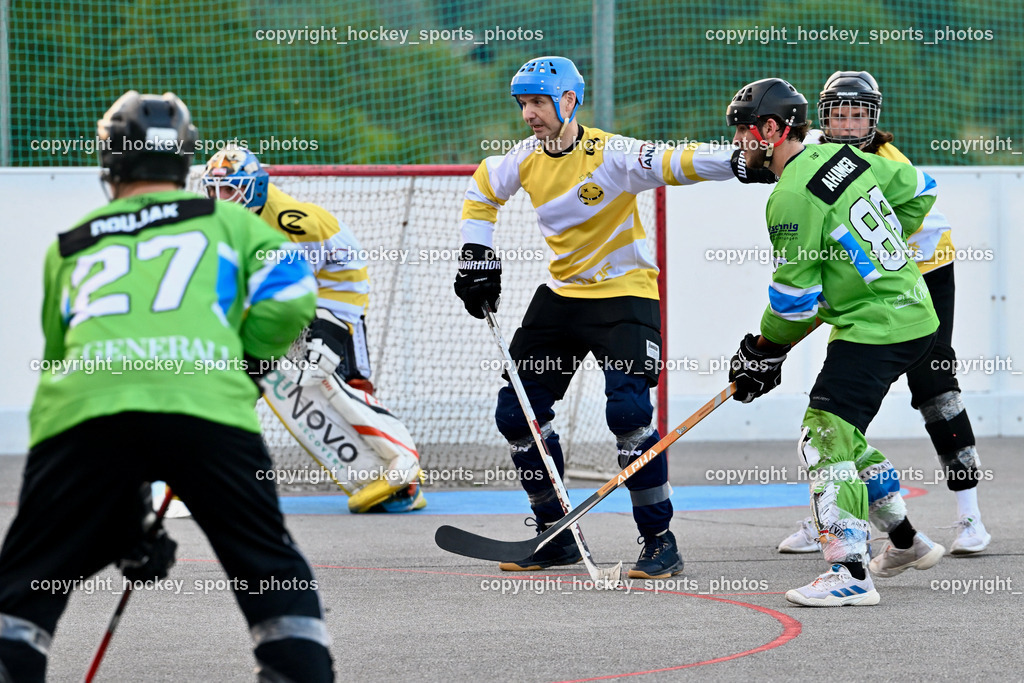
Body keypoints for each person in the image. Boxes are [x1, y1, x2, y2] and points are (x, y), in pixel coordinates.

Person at [0, 92, 333, 680]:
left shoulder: (71, 242)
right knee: (270, 569)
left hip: (82, 413)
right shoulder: (228, 221)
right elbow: (291, 294)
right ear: (183, 164)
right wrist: (250, 357)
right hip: (207, 410)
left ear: (111, 166)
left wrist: (124, 527)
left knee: (23, 589)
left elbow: (61, 360)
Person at [454, 55, 769, 579]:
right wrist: (476, 254)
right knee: (516, 417)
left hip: (625, 296)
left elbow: (678, 160)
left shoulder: (612, 154)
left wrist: (742, 163)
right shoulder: (522, 158)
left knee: (628, 417)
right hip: (562, 296)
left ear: (570, 100)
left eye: (539, 102)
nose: (530, 114)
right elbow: (481, 192)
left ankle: (660, 541)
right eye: (523, 104)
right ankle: (555, 533)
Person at [725, 77, 943, 606]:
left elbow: (794, 302)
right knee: (845, 437)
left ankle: (850, 573)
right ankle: (907, 541)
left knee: (820, 434)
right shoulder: (840, 157)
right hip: (909, 312)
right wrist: (872, 268)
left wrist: (761, 350)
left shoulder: (792, 195)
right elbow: (921, 188)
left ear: (772, 130)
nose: (738, 148)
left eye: (743, 136)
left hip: (878, 326)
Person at [776, 71, 990, 556]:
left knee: (937, 391)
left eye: (858, 115)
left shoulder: (889, 162)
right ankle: (827, 517)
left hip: (923, 273)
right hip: (863, 288)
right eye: (838, 114)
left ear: (874, 118)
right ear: (822, 117)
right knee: (840, 402)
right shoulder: (811, 151)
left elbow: (917, 217)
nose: (848, 125)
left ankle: (969, 515)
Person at [201, 149, 425, 513]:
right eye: (215, 190)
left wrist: (335, 326)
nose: (221, 200)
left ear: (255, 189)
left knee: (348, 385)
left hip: (335, 296)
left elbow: (346, 268)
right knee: (235, 389)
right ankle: (207, 476)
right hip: (277, 307)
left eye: (230, 189)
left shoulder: (295, 222)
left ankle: (404, 474)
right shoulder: (220, 227)